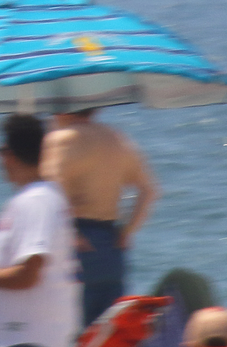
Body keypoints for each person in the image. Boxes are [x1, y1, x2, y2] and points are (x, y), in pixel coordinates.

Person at [0, 113, 80, 347]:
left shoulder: (35, 201)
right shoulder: (38, 198)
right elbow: (30, 263)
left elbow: (28, 274)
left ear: (8, 155)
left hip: (26, 338)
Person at [41, 108, 159, 327]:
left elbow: (48, 193)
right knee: (108, 336)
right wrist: (127, 231)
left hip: (77, 245)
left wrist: (71, 233)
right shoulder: (116, 138)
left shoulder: (61, 139)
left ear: (62, 108)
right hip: (112, 247)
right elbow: (149, 190)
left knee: (68, 334)